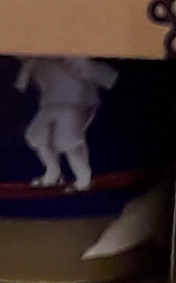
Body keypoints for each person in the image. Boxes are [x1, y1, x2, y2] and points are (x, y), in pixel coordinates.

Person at [15, 56, 111, 192]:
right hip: (50, 103)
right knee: (36, 135)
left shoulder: (70, 56)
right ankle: (53, 173)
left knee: (68, 141)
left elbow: (105, 77)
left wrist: (79, 65)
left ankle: (84, 180)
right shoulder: (33, 61)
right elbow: (22, 84)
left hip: (76, 102)